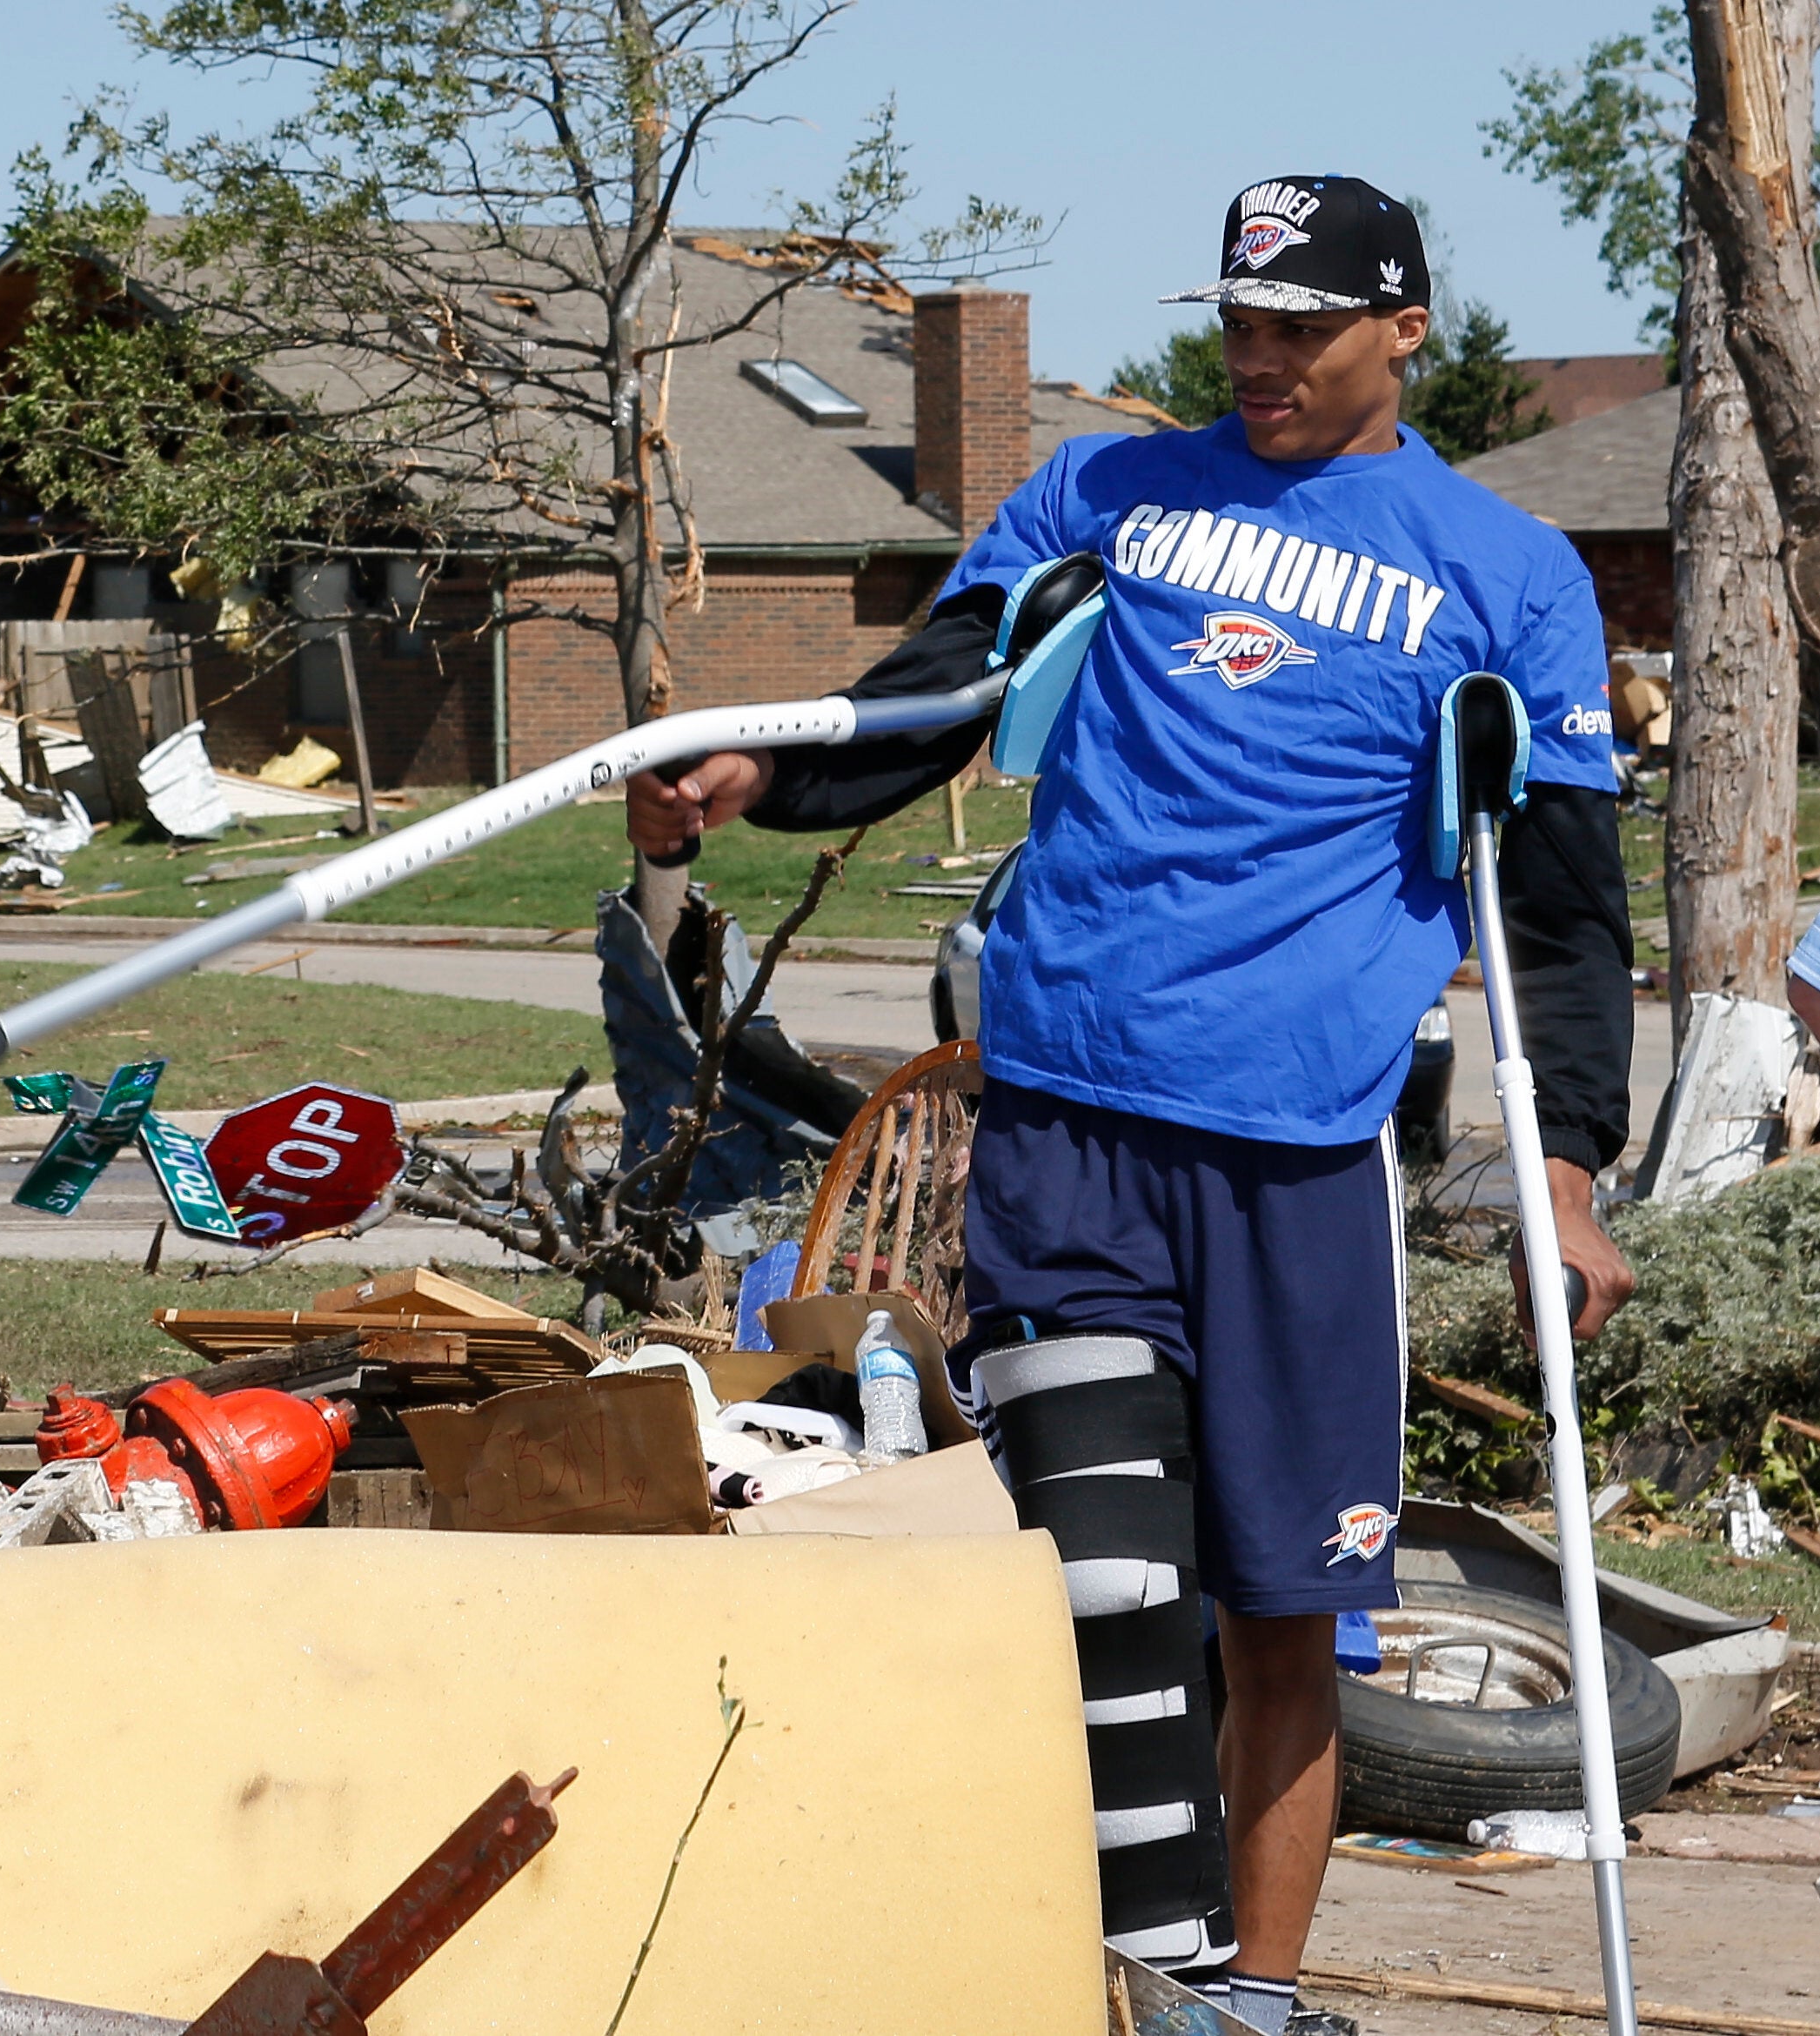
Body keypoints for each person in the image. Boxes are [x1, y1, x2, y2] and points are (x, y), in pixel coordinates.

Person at [630, 177, 1637, 2033]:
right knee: (1101, 1590)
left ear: (1400, 330)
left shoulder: (1504, 574)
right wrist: (762, 770)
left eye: (1301, 328)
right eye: (1239, 323)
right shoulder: (1103, 497)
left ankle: (1255, 1997)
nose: (1259, 358)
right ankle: (1139, 1983)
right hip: (1069, 1120)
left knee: (1279, 1615)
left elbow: (1565, 913)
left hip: (1300, 1163)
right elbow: (928, 698)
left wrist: (1565, 1173)